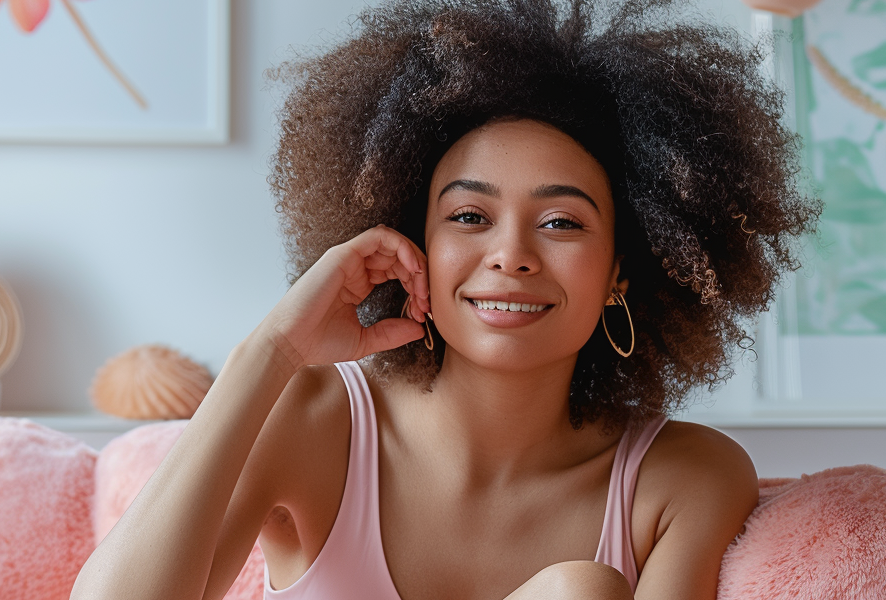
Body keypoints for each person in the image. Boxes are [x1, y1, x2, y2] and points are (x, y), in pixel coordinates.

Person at [70, 0, 820, 599]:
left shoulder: (682, 478)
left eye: (561, 222)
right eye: (469, 216)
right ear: (410, 240)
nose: (511, 255)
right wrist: (270, 352)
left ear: (624, 268)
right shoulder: (311, 419)